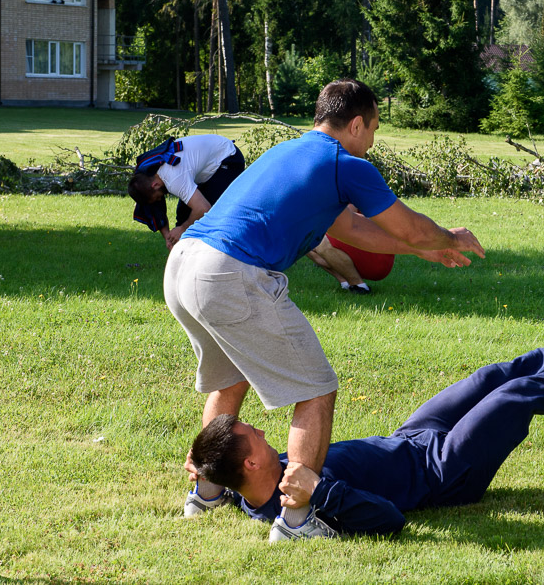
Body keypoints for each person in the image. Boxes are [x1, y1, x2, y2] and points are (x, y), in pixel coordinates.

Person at [164, 79, 486, 540]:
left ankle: (209, 492)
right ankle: (296, 519)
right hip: (229, 273)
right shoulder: (344, 163)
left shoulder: (290, 152)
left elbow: (352, 228)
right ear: (355, 124)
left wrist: (422, 251)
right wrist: (447, 239)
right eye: (373, 128)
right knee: (314, 390)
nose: (372, 141)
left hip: (183, 266)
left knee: (227, 380)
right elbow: (410, 226)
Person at [187, 279, 544, 541]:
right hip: (442, 471)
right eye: (255, 436)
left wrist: (206, 473)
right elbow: (389, 520)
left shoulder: (249, 487)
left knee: (488, 377)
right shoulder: (297, 504)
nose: (265, 433)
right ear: (249, 462)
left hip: (410, 437)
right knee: (511, 398)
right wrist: (320, 491)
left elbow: (226, 484)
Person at [128, 134, 245, 250]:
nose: (160, 199)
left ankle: (215, 254)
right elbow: (155, 209)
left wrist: (182, 229)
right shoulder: (146, 174)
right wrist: (169, 238)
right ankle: (182, 255)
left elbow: (203, 208)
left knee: (210, 218)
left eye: (158, 197)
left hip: (228, 158)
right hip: (205, 166)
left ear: (155, 185)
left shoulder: (174, 178)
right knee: (184, 215)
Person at [306, 207, 397, 295]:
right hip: (365, 246)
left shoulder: (346, 192)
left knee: (321, 242)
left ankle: (359, 286)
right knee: (303, 243)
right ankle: (345, 282)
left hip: (377, 256)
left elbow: (345, 221)